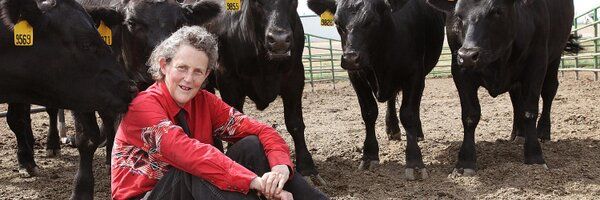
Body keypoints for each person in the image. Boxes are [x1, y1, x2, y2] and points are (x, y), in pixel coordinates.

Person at [110, 26, 328, 200]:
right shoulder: (142, 106)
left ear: (206, 76)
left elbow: (262, 131)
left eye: (198, 72)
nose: (188, 79)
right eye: (182, 68)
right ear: (164, 65)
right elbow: (187, 154)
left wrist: (281, 167)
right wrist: (255, 182)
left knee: (252, 145)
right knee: (197, 168)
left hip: (191, 190)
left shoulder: (205, 102)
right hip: (146, 195)